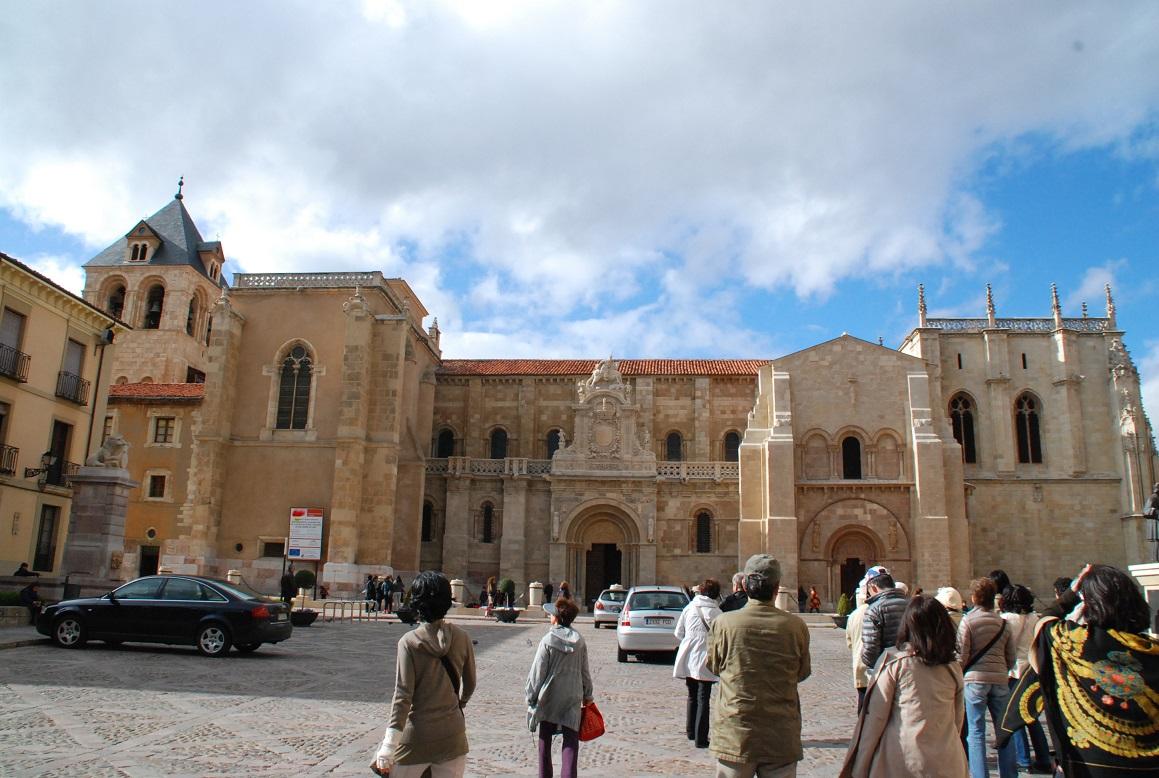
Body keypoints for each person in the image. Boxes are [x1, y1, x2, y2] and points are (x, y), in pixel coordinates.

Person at [1001, 563, 1159, 776]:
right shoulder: (1151, 650)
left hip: (1087, 765)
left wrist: (1071, 593)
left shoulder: (1072, 642)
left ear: (1090, 606)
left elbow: (1044, 621)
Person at [707, 554, 811, 777]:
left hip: (736, 734)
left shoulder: (723, 623)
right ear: (777, 588)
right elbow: (802, 672)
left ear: (744, 585)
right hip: (781, 734)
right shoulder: (796, 626)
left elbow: (713, 666)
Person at [840, 596, 967, 777]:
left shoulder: (895, 662)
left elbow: (875, 718)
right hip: (947, 760)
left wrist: (860, 767)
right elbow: (957, 717)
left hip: (903, 759)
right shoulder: (953, 667)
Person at [375, 571, 476, 778]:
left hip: (416, 738)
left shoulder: (409, 642)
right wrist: (460, 703)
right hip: (453, 735)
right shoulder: (463, 637)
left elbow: (403, 695)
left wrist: (389, 745)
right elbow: (471, 683)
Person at [526, 597, 594, 778]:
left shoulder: (547, 640)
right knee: (571, 741)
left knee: (544, 739)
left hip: (550, 696)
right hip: (572, 695)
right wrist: (588, 695)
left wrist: (531, 696)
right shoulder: (580, 641)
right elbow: (585, 671)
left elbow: (538, 672)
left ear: (556, 618)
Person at [959, 577, 1017, 778]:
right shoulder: (1004, 623)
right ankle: (1009, 774)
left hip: (975, 681)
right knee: (1004, 730)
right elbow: (1011, 658)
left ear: (974, 597)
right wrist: (1000, 670)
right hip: (1000, 680)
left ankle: (979, 775)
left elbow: (962, 655)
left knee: (976, 732)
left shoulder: (968, 621)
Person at [1000, 585, 1051, 774]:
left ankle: (1023, 759)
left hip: (1013, 671)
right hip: (1032, 669)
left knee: (1015, 716)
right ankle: (1043, 757)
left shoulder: (1006, 619)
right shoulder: (1035, 618)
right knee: (1032, 715)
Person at [674, 578, 723, 748]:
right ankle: (701, 738)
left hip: (689, 657)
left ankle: (690, 731)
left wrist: (691, 639)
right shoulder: (717, 613)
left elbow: (678, 633)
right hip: (705, 658)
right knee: (704, 697)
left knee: (692, 695)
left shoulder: (689, 608)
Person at [859, 572, 908, 678]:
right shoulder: (912, 605)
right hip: (911, 665)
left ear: (873, 587)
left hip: (886, 669)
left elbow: (871, 647)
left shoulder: (874, 609)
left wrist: (874, 666)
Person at [845, 586, 870, 711]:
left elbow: (849, 643)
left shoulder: (854, 615)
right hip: (879, 666)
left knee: (863, 700)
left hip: (860, 663)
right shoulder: (879, 610)